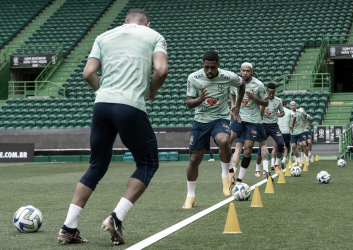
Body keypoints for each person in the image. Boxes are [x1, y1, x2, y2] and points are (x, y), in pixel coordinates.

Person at [57, 9, 168, 245]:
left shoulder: (103, 36)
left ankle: (69, 228)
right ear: (147, 23)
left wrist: (106, 93)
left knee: (96, 166)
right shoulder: (154, 36)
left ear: (125, 22)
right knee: (148, 163)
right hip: (130, 106)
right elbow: (161, 70)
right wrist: (152, 91)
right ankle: (116, 218)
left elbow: (88, 73)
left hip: (101, 106)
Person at [182, 50, 245, 209]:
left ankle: (225, 177)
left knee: (224, 140)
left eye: (212, 67)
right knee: (194, 160)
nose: (209, 71)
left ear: (218, 64)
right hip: (200, 121)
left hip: (220, 118)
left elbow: (241, 84)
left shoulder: (227, 76)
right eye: (206, 67)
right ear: (202, 65)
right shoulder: (194, 78)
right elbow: (189, 103)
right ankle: (190, 196)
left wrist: (236, 106)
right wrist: (200, 99)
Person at [228, 62, 269, 184]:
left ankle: (239, 179)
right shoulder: (236, 82)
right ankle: (230, 173)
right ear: (240, 71)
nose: (245, 73)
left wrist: (254, 98)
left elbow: (266, 103)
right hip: (238, 117)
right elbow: (231, 93)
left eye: (248, 71)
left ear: (252, 72)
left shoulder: (259, 85)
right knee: (226, 142)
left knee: (247, 149)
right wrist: (233, 105)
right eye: (243, 70)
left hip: (253, 120)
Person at [255, 83, 285, 175]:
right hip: (263, 125)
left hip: (274, 126)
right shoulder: (262, 100)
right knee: (261, 148)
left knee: (280, 143)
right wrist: (262, 110)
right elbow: (255, 110)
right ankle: (257, 169)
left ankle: (276, 165)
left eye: (273, 93)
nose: (271, 95)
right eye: (270, 93)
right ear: (266, 91)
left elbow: (282, 112)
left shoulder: (278, 100)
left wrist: (280, 114)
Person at [289, 101, 308, 167]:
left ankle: (306, 159)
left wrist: (303, 123)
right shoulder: (288, 113)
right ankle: (297, 160)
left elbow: (305, 115)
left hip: (300, 131)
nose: (293, 106)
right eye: (292, 105)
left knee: (304, 144)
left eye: (294, 105)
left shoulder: (300, 111)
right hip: (293, 132)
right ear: (289, 106)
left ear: (296, 106)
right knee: (293, 146)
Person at [277, 101, 292, 169]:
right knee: (287, 147)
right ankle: (283, 161)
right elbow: (294, 116)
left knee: (276, 148)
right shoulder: (289, 111)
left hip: (278, 131)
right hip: (286, 131)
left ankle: (274, 163)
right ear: (286, 105)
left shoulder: (277, 110)